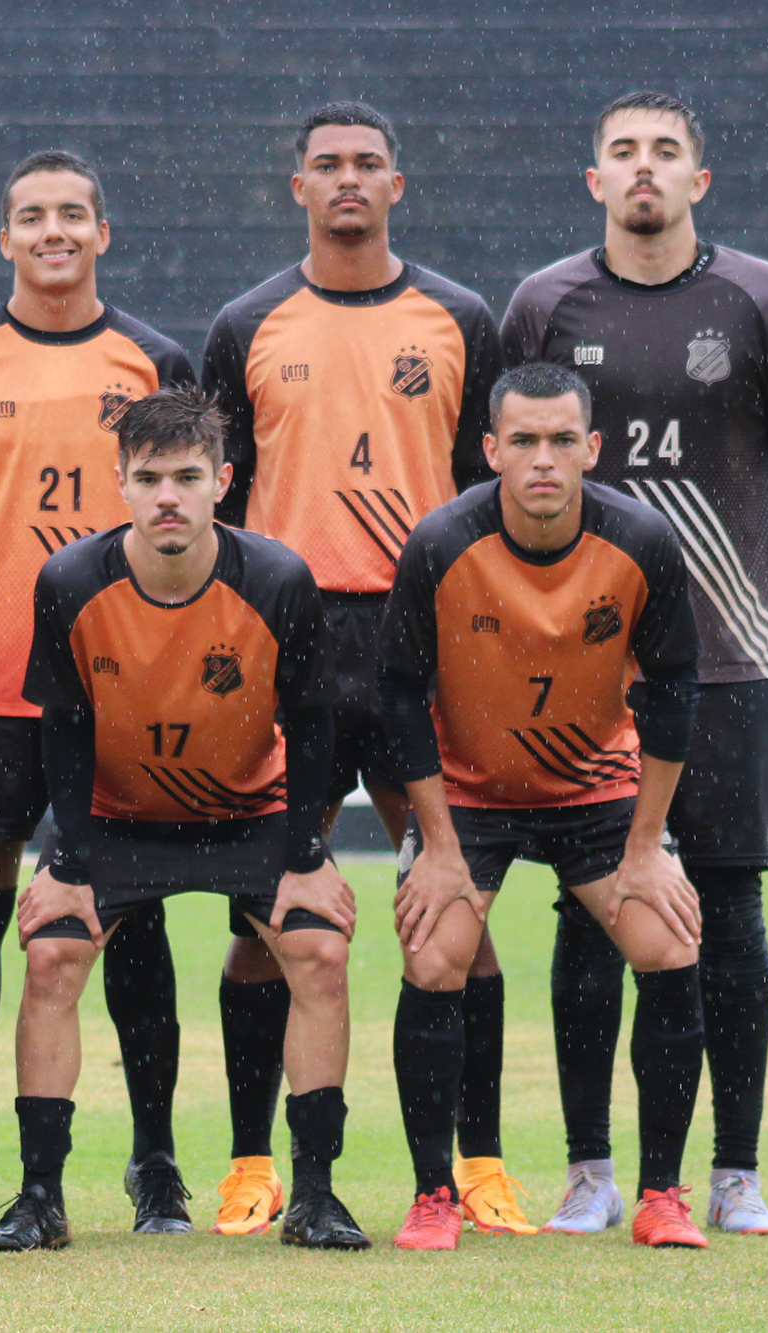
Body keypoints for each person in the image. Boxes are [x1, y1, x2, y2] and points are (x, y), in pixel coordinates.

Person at [501, 91, 768, 1236]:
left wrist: (729, 577)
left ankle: (732, 1173)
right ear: (590, 179)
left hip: (727, 660)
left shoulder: (762, 299)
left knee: (728, 913)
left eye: (665, 152)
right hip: (581, 671)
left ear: (701, 177)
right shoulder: (544, 302)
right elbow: (500, 468)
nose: (643, 170)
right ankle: (590, 1171)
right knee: (588, 909)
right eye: (621, 153)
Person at [198, 101, 524, 1235]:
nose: (346, 180)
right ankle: (252, 1161)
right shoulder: (246, 321)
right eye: (325, 165)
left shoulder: (459, 318)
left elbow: (492, 483)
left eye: (366, 164)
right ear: (295, 186)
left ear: (398, 182)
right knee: (264, 921)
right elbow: (214, 506)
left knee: (454, 908)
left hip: (418, 641)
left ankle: (473, 1163)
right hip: (285, 646)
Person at [0, 384, 367, 1252]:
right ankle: (40, 1196)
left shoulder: (277, 578)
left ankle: (313, 1193)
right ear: (118, 480)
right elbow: (66, 725)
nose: (168, 495)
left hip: (247, 811)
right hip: (119, 816)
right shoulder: (70, 580)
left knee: (319, 947)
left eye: (187, 476)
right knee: (50, 954)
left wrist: (308, 852)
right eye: (149, 476)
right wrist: (68, 861)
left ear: (222, 481)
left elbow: (311, 723)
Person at [0, 149, 197, 1235]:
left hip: (122, 689)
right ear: (4, 237)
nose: (53, 232)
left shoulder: (154, 359)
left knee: (133, 911)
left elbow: (191, 518)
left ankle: (154, 1162)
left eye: (72, 215)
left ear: (102, 234)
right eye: (31, 216)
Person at [379, 362, 708, 1250]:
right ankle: (434, 1194)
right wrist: (436, 844)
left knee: (670, 940)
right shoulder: (441, 542)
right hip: (471, 796)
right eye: (522, 440)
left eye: (563, 440)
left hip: (595, 792)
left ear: (593, 449)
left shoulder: (642, 540)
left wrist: (645, 848)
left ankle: (660, 1193)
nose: (543, 459)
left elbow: (676, 692)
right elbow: (401, 695)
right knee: (436, 952)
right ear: (490, 449)